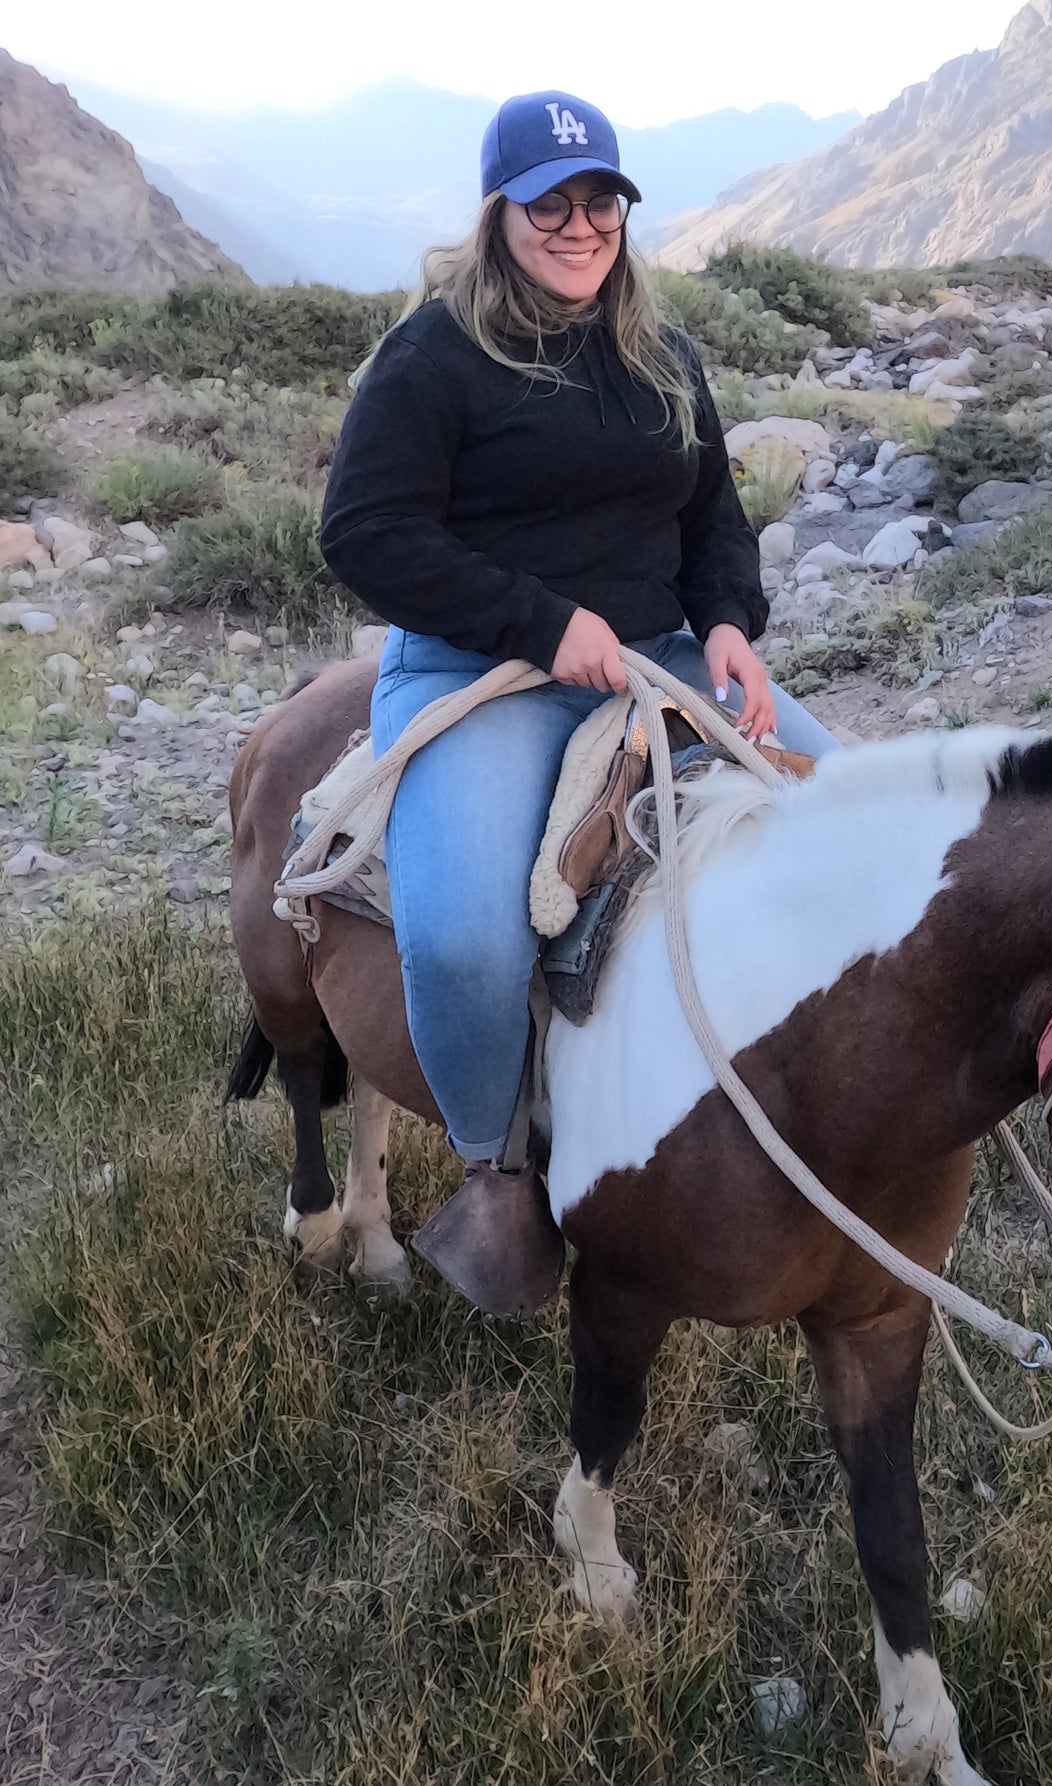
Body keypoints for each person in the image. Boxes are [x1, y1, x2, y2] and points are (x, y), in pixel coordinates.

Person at [320, 89, 837, 1265]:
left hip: (657, 659)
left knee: (851, 822)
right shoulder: (432, 356)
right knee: (461, 941)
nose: (578, 221)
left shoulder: (658, 349)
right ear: (498, 209)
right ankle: (494, 1166)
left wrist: (727, 624)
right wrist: (541, 624)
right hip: (480, 676)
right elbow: (364, 533)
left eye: (599, 196)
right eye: (547, 200)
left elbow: (711, 512)